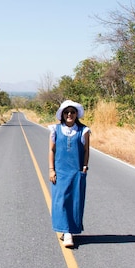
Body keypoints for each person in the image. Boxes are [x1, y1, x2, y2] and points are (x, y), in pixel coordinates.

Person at [48, 100, 91, 248]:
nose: (69, 115)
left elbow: (86, 150)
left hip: (76, 172)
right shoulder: (55, 130)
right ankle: (65, 229)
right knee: (60, 202)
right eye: (67, 112)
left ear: (76, 114)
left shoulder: (83, 131)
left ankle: (69, 232)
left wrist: (85, 166)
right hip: (60, 172)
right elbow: (52, 150)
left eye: (72, 112)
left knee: (74, 201)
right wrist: (51, 169)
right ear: (62, 115)